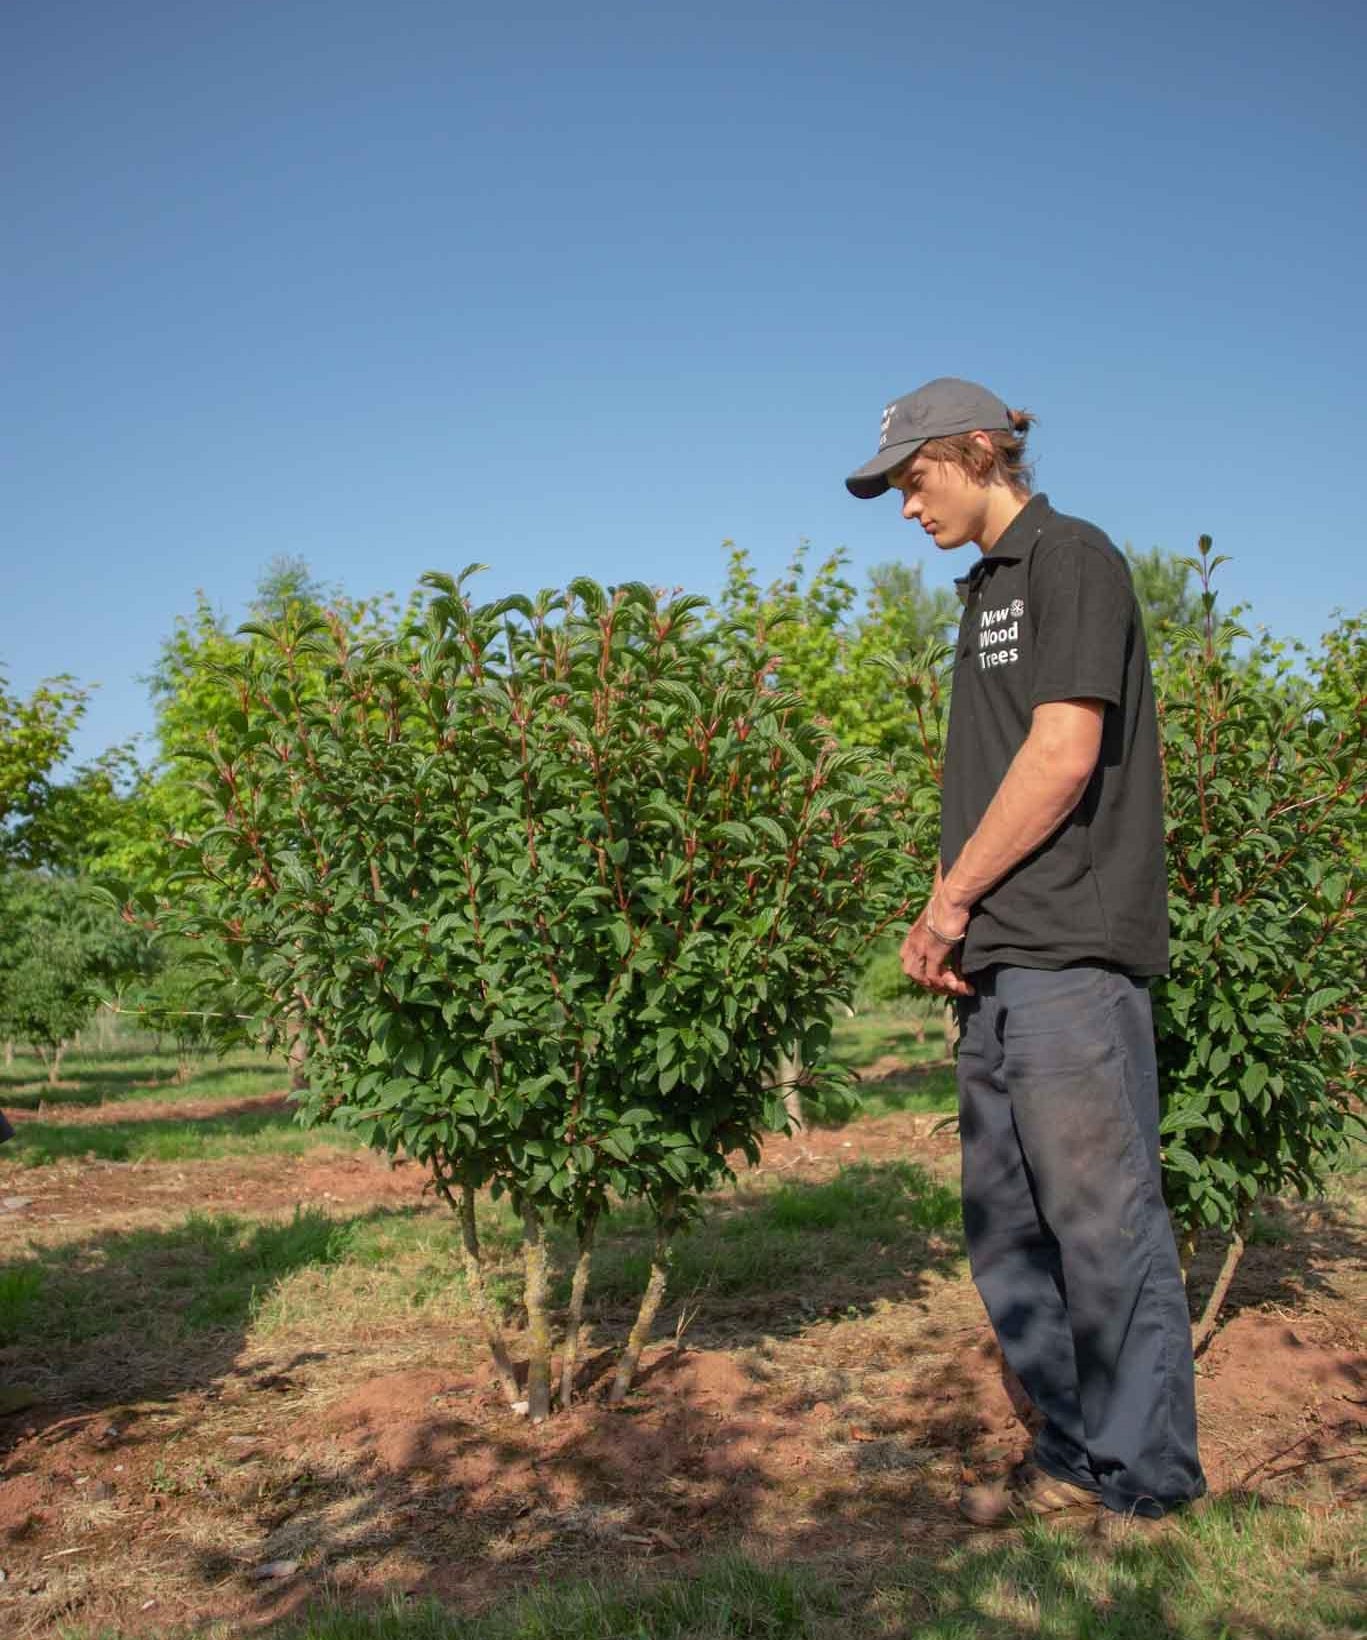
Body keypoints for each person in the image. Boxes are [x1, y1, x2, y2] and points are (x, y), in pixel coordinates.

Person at [845, 377, 1205, 1525]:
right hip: (1000, 956)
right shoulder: (983, 589)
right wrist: (957, 914)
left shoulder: (1070, 558)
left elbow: (1059, 753)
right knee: (1006, 1220)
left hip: (1069, 947)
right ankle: (1070, 1444)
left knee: (1099, 1215)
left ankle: (1144, 1476)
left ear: (977, 451)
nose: (905, 506)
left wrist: (946, 903)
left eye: (914, 479)